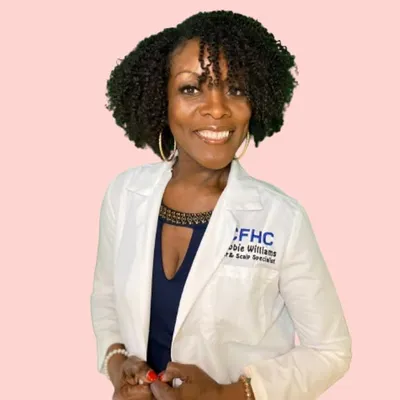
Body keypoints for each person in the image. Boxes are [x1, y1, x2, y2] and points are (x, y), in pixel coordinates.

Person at [90, 10, 352, 400]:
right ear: (161, 99)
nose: (217, 109)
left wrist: (225, 394)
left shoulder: (282, 220)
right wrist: (118, 367)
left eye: (237, 89)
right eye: (190, 89)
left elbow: (330, 351)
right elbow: (106, 299)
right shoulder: (124, 195)